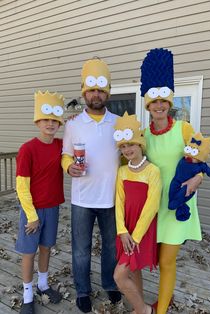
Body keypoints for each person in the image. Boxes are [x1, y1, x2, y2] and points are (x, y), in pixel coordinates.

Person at [140, 48, 204, 314]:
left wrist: (197, 178)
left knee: (167, 261)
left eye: (163, 100)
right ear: (147, 104)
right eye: (154, 101)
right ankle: (158, 299)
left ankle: (162, 309)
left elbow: (201, 161)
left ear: (170, 102)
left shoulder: (184, 129)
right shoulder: (143, 135)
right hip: (153, 206)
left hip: (177, 205)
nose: (159, 106)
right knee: (151, 259)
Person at [61, 57, 121, 313]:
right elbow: (65, 154)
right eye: (91, 90)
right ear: (84, 92)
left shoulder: (119, 122)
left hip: (111, 198)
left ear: (106, 92)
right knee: (81, 249)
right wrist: (68, 166)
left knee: (110, 247)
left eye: (100, 90)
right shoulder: (73, 124)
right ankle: (83, 290)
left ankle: (109, 282)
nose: (96, 95)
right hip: (82, 198)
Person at [15, 91, 65, 314]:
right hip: (32, 211)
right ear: (38, 120)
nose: (50, 124)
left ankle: (43, 285)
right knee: (29, 252)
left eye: (55, 120)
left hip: (52, 207)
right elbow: (22, 186)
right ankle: (27, 294)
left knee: (46, 248)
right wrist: (32, 215)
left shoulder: (61, 146)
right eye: (46, 119)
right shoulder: (28, 149)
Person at [113, 112, 162, 314]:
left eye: (130, 144)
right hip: (126, 229)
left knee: (119, 276)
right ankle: (139, 306)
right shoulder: (122, 172)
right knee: (133, 270)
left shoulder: (153, 171)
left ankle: (144, 310)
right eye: (123, 147)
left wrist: (135, 236)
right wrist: (122, 231)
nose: (127, 149)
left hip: (141, 230)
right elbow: (119, 202)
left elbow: (152, 205)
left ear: (140, 144)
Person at [168, 132, 210, 221]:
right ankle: (180, 208)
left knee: (181, 197)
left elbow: (206, 169)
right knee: (172, 194)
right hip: (176, 181)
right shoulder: (183, 159)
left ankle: (175, 207)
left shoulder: (200, 165)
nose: (189, 156)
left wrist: (207, 174)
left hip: (187, 184)